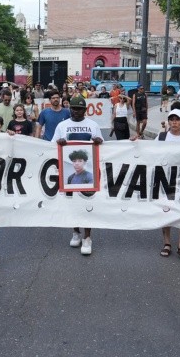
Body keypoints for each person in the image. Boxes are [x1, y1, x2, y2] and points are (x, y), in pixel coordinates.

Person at [52, 96, 104, 255]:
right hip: (69, 172)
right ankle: (76, 232)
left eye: (80, 109)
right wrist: (59, 142)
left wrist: (98, 141)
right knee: (72, 204)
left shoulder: (93, 125)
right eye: (73, 108)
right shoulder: (62, 125)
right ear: (70, 108)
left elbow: (103, 145)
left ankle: (87, 237)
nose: (76, 111)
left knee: (87, 204)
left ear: (85, 110)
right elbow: (51, 146)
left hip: (90, 174)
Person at [156, 109, 180, 262]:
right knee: (166, 210)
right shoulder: (162, 137)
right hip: (165, 179)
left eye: (177, 119)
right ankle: (167, 243)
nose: (174, 122)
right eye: (171, 119)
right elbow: (149, 153)